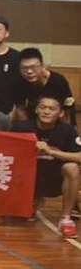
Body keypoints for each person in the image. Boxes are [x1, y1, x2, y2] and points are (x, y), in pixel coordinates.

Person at [12, 95, 80, 239]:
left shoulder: (68, 131)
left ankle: (66, 219)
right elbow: (5, 150)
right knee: (24, 216)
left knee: (72, 167)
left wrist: (51, 152)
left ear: (61, 113)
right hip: (28, 179)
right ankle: (32, 202)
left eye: (52, 109)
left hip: (54, 178)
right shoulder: (21, 127)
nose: (46, 112)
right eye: (43, 107)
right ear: (36, 110)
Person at [14, 47, 76, 125]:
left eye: (33, 67)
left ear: (43, 66)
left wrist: (65, 130)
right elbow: (21, 109)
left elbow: (67, 109)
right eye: (24, 68)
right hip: (35, 114)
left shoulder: (58, 81)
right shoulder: (19, 82)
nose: (29, 71)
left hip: (58, 115)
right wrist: (26, 128)